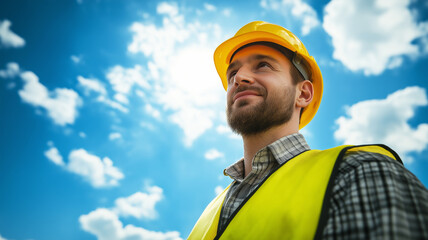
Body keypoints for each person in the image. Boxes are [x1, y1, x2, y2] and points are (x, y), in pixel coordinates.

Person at [188, 21, 428, 239]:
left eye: (263, 65)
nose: (239, 78)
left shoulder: (360, 171)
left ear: (303, 93)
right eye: (232, 73)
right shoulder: (207, 216)